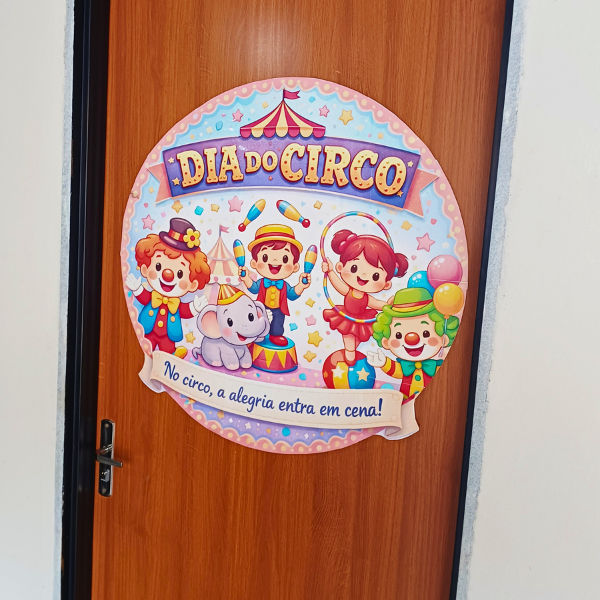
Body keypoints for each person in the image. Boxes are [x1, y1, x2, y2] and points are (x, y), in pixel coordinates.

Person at [126, 218, 211, 358]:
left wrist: (194, 308)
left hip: (169, 334)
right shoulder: (153, 296)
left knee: (167, 347)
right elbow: (145, 297)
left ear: (193, 284)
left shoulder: (176, 304)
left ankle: (171, 356)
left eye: (180, 273)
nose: (167, 275)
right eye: (158, 266)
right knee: (146, 344)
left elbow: (184, 311)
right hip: (148, 330)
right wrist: (137, 289)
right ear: (145, 269)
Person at [322, 229, 408, 365]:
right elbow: (338, 284)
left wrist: (389, 305)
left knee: (356, 338)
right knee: (348, 335)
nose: (363, 276)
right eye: (354, 268)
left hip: (361, 319)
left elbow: (378, 304)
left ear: (386, 284)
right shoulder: (349, 290)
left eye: (375, 276)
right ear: (340, 267)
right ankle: (349, 352)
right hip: (346, 317)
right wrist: (330, 271)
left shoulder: (367, 298)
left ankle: (351, 352)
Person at [367, 287, 459, 399]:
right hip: (404, 402)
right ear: (386, 342)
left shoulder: (440, 367)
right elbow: (396, 370)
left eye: (426, 333)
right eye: (398, 335)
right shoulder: (405, 367)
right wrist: (384, 363)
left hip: (431, 399)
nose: (411, 340)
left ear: (444, 337)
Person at [239, 224, 311, 346]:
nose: (275, 261)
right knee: (259, 321)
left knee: (277, 324)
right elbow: (254, 288)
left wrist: (301, 285)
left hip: (279, 310)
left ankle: (275, 335)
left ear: (295, 267)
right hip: (262, 307)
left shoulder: (284, 285)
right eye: (265, 257)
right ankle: (258, 333)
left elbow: (292, 295)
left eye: (284, 258)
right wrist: (246, 278)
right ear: (254, 263)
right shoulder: (262, 283)